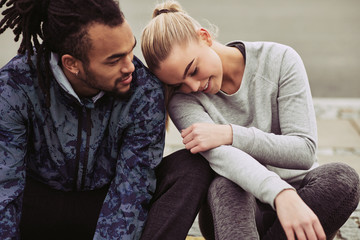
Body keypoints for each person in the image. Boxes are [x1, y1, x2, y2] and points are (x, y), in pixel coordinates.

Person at [141, 1, 360, 239]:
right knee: (226, 185)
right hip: (235, 211)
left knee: (343, 178)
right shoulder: (182, 100)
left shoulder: (280, 59)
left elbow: (304, 151)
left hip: (298, 199)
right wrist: (278, 193)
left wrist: (231, 134)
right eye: (178, 84)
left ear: (204, 37)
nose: (193, 86)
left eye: (192, 70)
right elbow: (227, 160)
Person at [0, 0, 214, 239]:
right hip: (37, 210)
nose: (130, 66)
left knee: (191, 167)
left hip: (108, 207)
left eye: (130, 50)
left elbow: (134, 188)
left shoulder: (144, 90)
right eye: (114, 60)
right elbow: (5, 186)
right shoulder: (15, 85)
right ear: (72, 64)